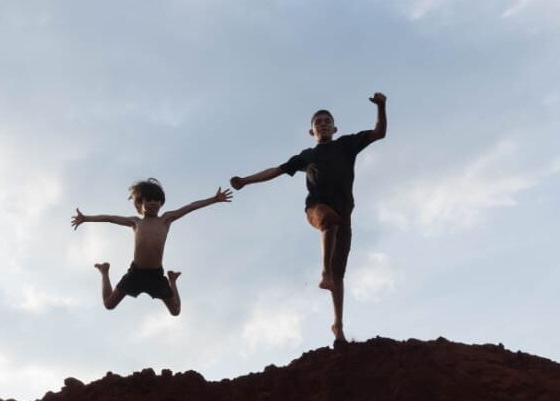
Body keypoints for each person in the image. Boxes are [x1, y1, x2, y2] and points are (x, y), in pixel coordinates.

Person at [230, 92, 387, 347]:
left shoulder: (347, 145)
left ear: (334, 128)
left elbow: (379, 132)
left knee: (339, 275)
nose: (323, 125)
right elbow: (276, 170)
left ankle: (338, 327)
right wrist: (245, 181)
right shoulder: (306, 156)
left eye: (327, 121)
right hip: (316, 209)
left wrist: (381, 106)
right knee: (328, 220)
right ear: (311, 131)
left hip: (345, 215)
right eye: (318, 123)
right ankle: (323, 271)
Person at [71, 179, 232, 316]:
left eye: (157, 200)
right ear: (141, 203)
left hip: (156, 275)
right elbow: (110, 218)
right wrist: (86, 218)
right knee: (109, 304)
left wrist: (214, 199)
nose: (154, 203)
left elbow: (190, 207)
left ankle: (172, 280)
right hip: (136, 273)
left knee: (175, 311)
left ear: (161, 203)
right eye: (149, 200)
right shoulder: (136, 222)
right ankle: (104, 271)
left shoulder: (166, 219)